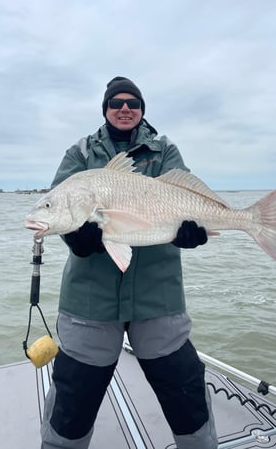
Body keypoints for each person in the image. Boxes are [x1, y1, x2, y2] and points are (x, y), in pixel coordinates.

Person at [41, 76, 218, 449]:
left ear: (141, 110)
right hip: (88, 301)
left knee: (186, 397)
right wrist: (75, 237)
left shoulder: (165, 150)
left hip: (159, 298)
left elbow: (182, 196)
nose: (125, 108)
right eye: (116, 102)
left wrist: (193, 231)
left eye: (133, 103)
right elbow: (59, 206)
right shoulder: (80, 153)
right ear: (105, 109)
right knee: (72, 404)